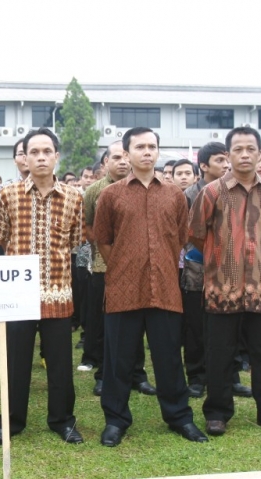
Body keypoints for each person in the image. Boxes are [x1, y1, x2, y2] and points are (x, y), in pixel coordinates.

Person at [94, 127, 207, 446]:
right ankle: (115, 420)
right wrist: (124, 265)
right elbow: (103, 239)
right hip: (123, 289)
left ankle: (179, 417)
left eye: (152, 146)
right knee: (118, 360)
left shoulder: (174, 194)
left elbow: (181, 237)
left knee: (169, 357)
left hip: (165, 288)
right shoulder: (111, 195)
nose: (147, 152)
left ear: (158, 151)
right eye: (140, 147)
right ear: (127, 153)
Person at [188, 127, 261, 437]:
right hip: (221, 287)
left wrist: (258, 263)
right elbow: (195, 234)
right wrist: (222, 256)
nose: (245, 154)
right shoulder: (211, 192)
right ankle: (217, 412)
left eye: (251, 149)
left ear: (260, 152)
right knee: (219, 353)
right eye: (238, 149)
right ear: (228, 155)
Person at [0, 128, 86, 445]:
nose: (41, 157)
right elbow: (0, 236)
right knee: (15, 363)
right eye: (34, 152)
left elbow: (75, 240)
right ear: (24, 157)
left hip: (58, 292)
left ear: (56, 156)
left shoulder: (74, 197)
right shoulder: (7, 194)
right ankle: (11, 422)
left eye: (47, 152)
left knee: (60, 364)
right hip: (18, 295)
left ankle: (63, 420)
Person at [80, 140, 156, 398]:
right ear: (106, 162)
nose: (122, 162)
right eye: (116, 157)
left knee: (138, 322)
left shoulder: (144, 188)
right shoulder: (95, 191)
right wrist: (112, 253)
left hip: (138, 269)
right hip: (104, 267)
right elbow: (89, 226)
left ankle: (138, 375)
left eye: (125, 157)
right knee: (106, 326)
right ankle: (104, 375)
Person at [181, 142, 251, 399]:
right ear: (203, 165)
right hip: (197, 267)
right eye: (220, 160)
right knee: (196, 326)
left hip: (231, 270)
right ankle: (197, 377)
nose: (226, 165)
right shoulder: (189, 194)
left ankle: (231, 377)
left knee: (231, 325)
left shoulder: (236, 190)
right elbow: (189, 233)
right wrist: (213, 254)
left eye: (226, 160)